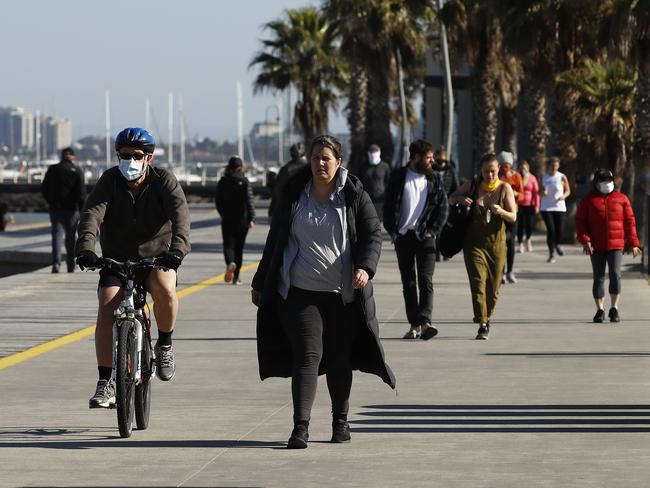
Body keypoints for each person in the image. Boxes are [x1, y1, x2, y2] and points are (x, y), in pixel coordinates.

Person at [251, 134, 395, 449]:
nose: (320, 163)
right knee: (307, 356)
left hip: (342, 293)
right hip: (300, 292)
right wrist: (261, 282)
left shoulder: (354, 194)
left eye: (326, 158)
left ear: (338, 162)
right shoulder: (294, 194)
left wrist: (365, 267)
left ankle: (340, 422)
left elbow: (372, 233)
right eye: (316, 157)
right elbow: (275, 241)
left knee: (340, 358)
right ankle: (300, 427)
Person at [75, 127, 191, 408]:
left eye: (137, 155)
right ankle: (106, 381)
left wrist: (177, 250)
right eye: (124, 155)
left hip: (157, 258)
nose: (130, 161)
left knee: (165, 287)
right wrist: (86, 249)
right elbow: (92, 215)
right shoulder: (110, 181)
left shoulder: (164, 181)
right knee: (107, 305)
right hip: (116, 258)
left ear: (149, 158)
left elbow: (181, 217)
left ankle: (164, 345)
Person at [383, 139, 449, 340]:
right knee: (409, 282)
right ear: (416, 157)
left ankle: (426, 322)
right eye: (428, 158)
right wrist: (393, 232)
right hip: (403, 237)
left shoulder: (434, 179)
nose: (432, 161)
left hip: (425, 236)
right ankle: (414, 324)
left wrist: (433, 230)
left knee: (425, 279)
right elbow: (388, 207)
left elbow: (443, 208)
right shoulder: (398, 176)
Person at [449, 153, 517, 339]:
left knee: (493, 289)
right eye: (486, 171)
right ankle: (482, 322)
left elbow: (513, 216)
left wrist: (501, 211)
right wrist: (459, 200)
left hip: (497, 245)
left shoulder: (505, 188)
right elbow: (451, 198)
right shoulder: (472, 186)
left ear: (499, 170)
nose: (489, 175)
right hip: (473, 245)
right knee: (478, 283)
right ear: (481, 170)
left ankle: (487, 316)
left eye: (493, 171)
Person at [575, 169, 640, 323]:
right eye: (603, 180)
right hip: (596, 246)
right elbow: (580, 222)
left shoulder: (622, 199)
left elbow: (630, 222)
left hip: (616, 245)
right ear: (596, 183)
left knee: (615, 275)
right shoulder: (588, 200)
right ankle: (600, 310)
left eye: (609, 180)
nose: (606, 183)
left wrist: (633, 244)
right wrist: (585, 240)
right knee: (598, 278)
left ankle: (614, 308)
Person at [41, 147, 86, 273]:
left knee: (57, 236)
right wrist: (82, 209)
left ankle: (56, 263)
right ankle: (70, 265)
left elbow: (44, 188)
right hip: (72, 210)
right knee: (71, 238)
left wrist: (50, 202)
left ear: (62, 156)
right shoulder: (77, 170)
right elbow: (81, 192)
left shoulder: (53, 169)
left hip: (55, 208)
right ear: (73, 156)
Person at [216, 156, 255, 284]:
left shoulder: (223, 181)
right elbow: (249, 201)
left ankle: (230, 263)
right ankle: (236, 277)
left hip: (227, 219)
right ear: (240, 167)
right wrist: (251, 217)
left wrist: (222, 213)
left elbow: (218, 201)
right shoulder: (245, 181)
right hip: (242, 220)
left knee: (228, 245)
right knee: (239, 248)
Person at [497, 151, 523, 283]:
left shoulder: (516, 176)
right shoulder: (496, 176)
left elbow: (523, 195)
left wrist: (516, 194)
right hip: (499, 213)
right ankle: (501, 272)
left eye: (507, 165)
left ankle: (510, 271)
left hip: (512, 213)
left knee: (511, 243)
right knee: (500, 243)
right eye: (503, 165)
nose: (505, 168)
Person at [540, 156, 571, 263]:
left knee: (559, 230)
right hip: (546, 207)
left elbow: (568, 190)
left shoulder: (562, 177)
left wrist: (563, 196)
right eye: (552, 165)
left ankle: (557, 244)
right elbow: (539, 192)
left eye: (556, 165)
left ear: (558, 166)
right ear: (548, 166)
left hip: (559, 207)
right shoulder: (544, 177)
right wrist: (542, 193)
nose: (554, 167)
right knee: (551, 230)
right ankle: (551, 253)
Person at [268, 142, 308, 224]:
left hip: (287, 210)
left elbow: (277, 192)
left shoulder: (285, 169)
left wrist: (271, 212)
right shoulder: (310, 168)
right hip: (309, 209)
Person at [432, 146, 459, 262]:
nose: (441, 159)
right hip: (435, 203)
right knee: (437, 229)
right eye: (439, 156)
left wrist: (455, 199)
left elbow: (455, 186)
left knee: (447, 229)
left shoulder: (451, 170)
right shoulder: (431, 169)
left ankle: (446, 252)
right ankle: (437, 253)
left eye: (443, 157)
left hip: (448, 203)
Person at [360, 143, 391, 222]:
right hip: (366, 199)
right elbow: (359, 181)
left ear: (379, 152)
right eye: (371, 152)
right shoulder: (364, 166)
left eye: (375, 152)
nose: (373, 154)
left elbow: (389, 182)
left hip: (380, 200)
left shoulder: (385, 166)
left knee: (378, 222)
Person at [516, 160, 540, 253]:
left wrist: (537, 205)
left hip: (529, 204)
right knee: (520, 225)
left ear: (528, 168)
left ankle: (528, 240)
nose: (523, 170)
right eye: (521, 168)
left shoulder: (532, 178)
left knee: (529, 225)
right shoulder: (517, 177)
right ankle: (520, 243)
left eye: (525, 168)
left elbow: (536, 193)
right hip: (519, 204)